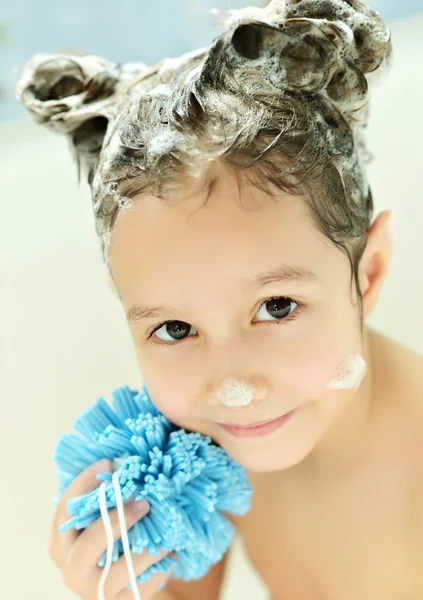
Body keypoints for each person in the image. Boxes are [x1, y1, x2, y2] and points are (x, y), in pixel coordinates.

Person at [16, 0, 423, 598]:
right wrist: (135, 586)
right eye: (177, 329)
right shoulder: (206, 458)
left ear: (370, 271)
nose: (232, 385)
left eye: (278, 307)